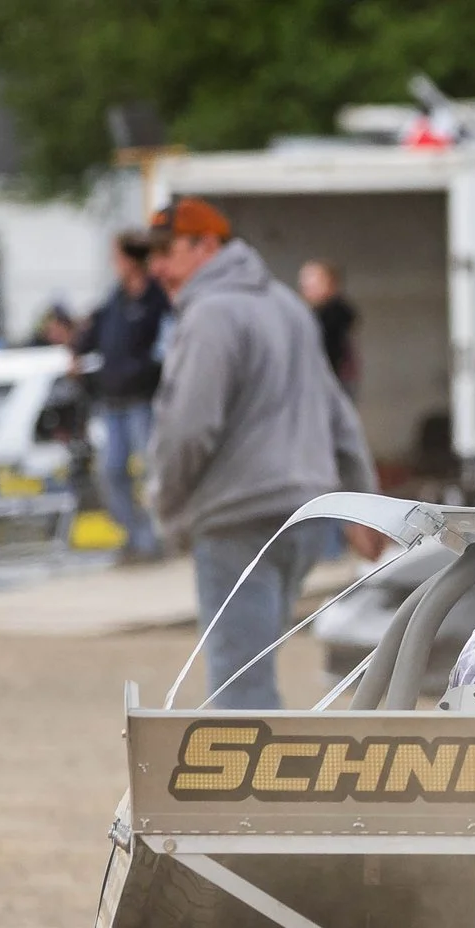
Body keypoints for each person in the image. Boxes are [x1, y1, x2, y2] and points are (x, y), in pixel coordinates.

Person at [145, 197, 383, 709]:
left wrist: (165, 502)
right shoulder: (287, 305)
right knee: (253, 670)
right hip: (301, 519)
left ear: (208, 245)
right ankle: (265, 787)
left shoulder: (210, 314)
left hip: (239, 518)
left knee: (239, 690)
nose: (157, 267)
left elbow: (188, 428)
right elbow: (338, 414)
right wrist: (365, 506)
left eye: (167, 250)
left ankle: (255, 791)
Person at [75, 232, 169, 562]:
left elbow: (165, 347)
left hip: (143, 399)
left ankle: (159, 536)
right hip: (112, 399)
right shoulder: (116, 299)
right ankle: (135, 536)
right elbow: (92, 333)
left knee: (151, 471)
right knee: (112, 471)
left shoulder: (156, 301)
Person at [296, 259, 359, 394]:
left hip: (330, 382)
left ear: (330, 284)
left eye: (313, 282)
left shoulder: (333, 316)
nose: (306, 287)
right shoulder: (311, 315)